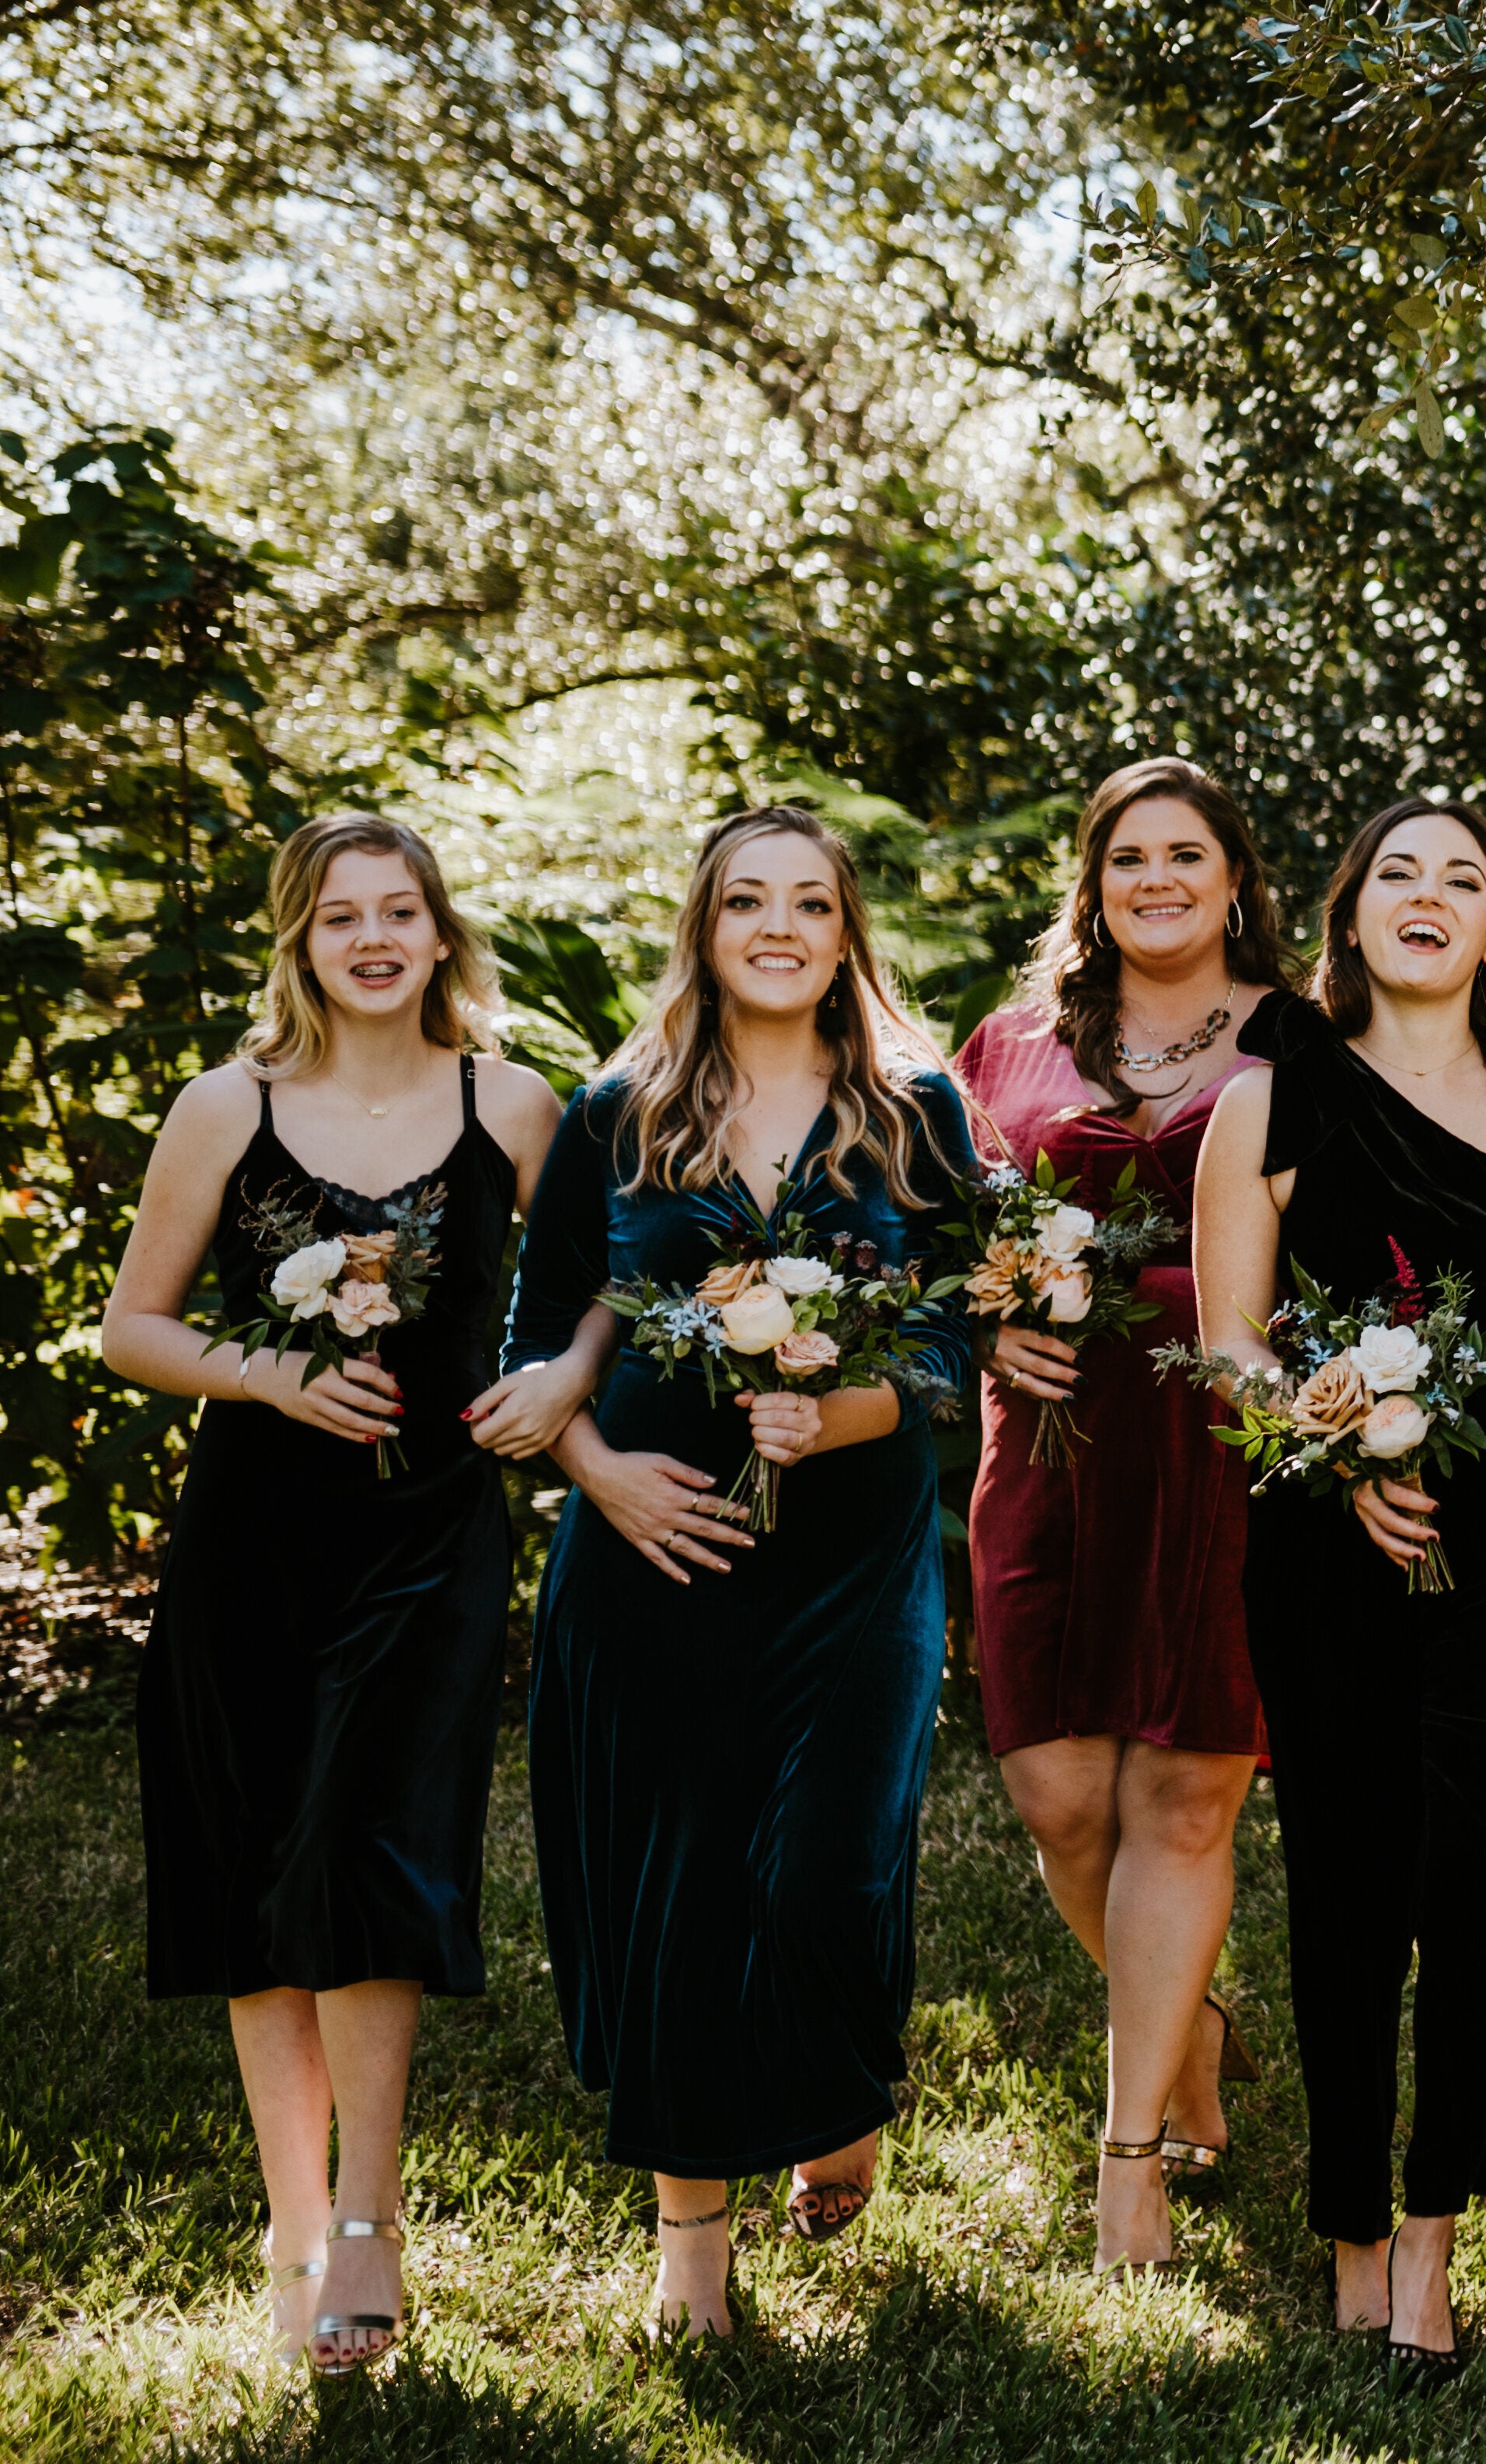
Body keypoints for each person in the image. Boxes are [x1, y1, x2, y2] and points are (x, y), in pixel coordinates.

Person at [497, 804, 975, 2340]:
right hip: (658, 1549)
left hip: (856, 1553)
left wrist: (837, 1412)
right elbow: (541, 1329)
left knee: (837, 1858)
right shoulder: (616, 1111)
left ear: (847, 934)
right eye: (747, 901)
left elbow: (961, 1340)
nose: (779, 926)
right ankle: (689, 2257)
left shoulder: (919, 1109)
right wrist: (601, 1475)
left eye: (811, 903)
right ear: (705, 927)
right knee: (683, 1886)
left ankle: (838, 2083)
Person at [100, 815, 562, 2375]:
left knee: (380, 1848)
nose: (372, 937)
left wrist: (554, 1392)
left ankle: (370, 2216)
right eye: (339, 916)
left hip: (433, 1530)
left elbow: (594, 1302)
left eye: (399, 911)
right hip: (255, 1532)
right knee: (255, 1873)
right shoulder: (229, 1105)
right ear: (300, 941)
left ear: (441, 933)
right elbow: (134, 1329)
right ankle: (292, 2222)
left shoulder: (511, 1106)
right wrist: (280, 1382)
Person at [1190, 797, 1486, 2381]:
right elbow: (1230, 1341)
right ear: (1354, 916)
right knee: (1351, 1893)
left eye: (1465, 880)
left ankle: (1440, 2224)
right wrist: (1335, 1437)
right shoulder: (1274, 1097)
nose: (1431, 897)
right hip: (1327, 1548)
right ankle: (1356, 2235)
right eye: (1400, 875)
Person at [957, 756, 1299, 2270]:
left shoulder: (1305, 1041)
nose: (1156, 880)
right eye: (1125, 859)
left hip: (1223, 1436)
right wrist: (981, 1322)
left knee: (1184, 1795)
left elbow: (1357, 1235)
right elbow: (935, 1223)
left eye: (1186, 853)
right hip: (1051, 1436)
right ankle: (1194, 2014)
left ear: (1236, 878)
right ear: (1090, 884)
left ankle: (1130, 2155)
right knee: (1059, 1797)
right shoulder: (1011, 1044)